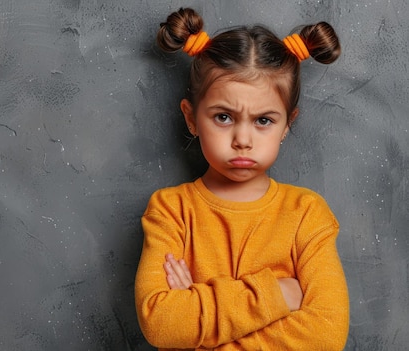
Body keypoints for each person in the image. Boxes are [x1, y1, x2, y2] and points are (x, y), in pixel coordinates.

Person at [134, 7, 349, 351]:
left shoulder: (307, 214)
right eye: (223, 117)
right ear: (191, 118)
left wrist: (199, 331)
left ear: (287, 124)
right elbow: (161, 324)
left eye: (263, 120)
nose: (243, 139)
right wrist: (279, 293)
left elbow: (326, 335)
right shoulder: (170, 211)